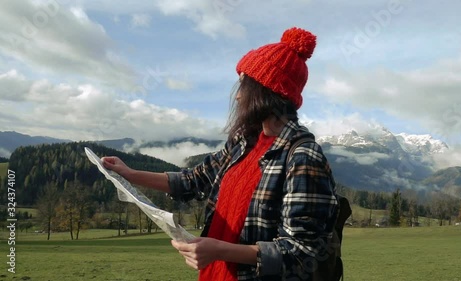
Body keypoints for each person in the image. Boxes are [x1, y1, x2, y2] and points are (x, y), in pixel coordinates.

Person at [102, 27, 338, 281]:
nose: (237, 95)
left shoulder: (302, 156)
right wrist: (129, 174)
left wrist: (218, 250)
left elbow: (303, 252)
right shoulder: (242, 143)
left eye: (245, 85)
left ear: (266, 91)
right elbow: (193, 180)